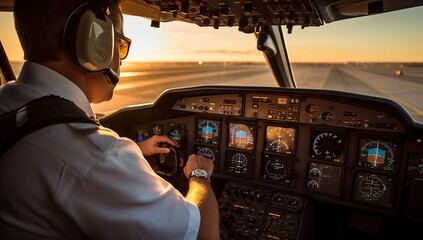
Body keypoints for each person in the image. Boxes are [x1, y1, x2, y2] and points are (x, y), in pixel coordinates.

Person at [0, 0, 219, 239]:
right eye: (120, 44)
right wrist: (199, 175)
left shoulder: (8, 101)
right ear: (95, 42)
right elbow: (202, 234)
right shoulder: (95, 155)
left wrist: (135, 150)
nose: (120, 58)